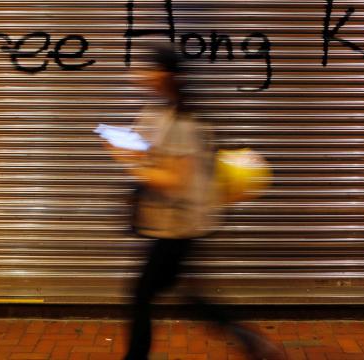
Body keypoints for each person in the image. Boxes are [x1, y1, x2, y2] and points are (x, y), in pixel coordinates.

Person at [105, 44, 283, 360]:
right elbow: (148, 148)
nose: (140, 73)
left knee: (142, 293)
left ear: (165, 75)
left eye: (149, 67)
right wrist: (131, 148)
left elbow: (173, 182)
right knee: (187, 293)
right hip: (174, 223)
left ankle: (137, 356)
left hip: (181, 225)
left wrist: (127, 161)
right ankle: (250, 341)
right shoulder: (160, 112)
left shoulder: (183, 123)